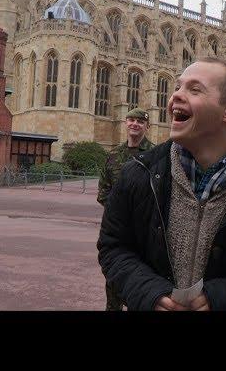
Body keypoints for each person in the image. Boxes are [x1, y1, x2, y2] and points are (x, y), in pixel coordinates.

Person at [97, 57, 226, 311]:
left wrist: (222, 299)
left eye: (194, 89)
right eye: (177, 87)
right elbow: (113, 247)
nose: (175, 97)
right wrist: (149, 292)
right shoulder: (138, 174)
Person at [97, 107, 154, 311]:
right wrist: (118, 216)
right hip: (116, 231)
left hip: (143, 233)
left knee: (141, 284)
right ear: (126, 123)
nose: (135, 124)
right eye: (131, 120)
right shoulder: (113, 155)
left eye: (140, 121)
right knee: (113, 280)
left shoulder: (154, 155)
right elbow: (103, 191)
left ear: (147, 126)